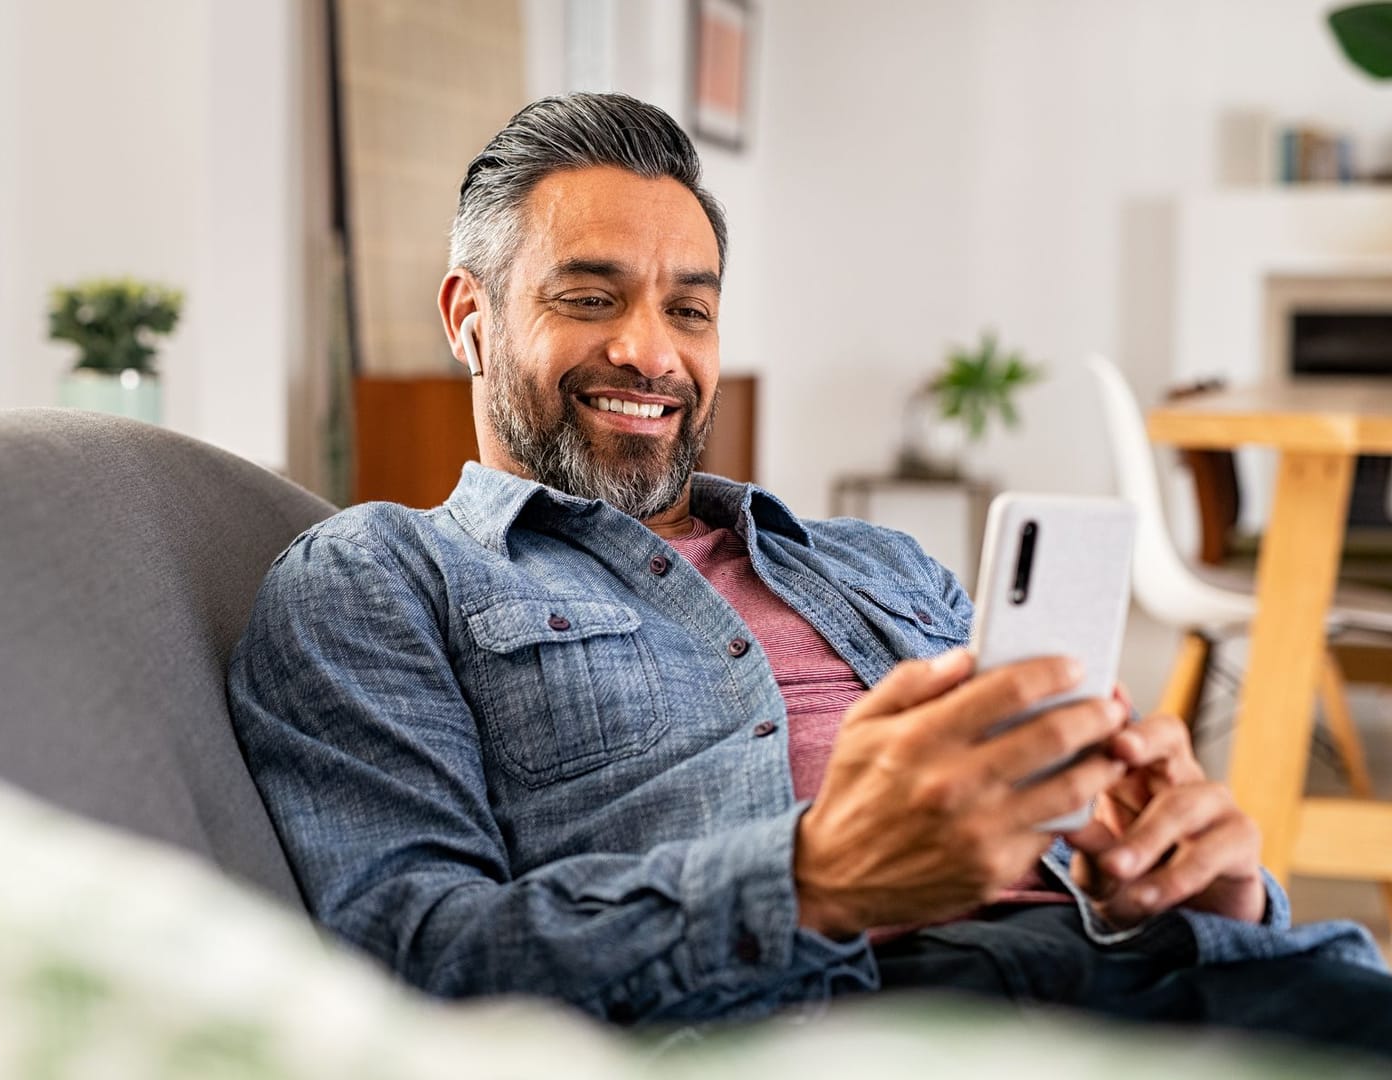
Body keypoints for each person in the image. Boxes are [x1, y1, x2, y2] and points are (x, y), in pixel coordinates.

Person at [227, 92, 1392, 1052]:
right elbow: (410, 963)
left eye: (690, 308)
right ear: (468, 318)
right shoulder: (382, 574)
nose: (650, 350)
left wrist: (1206, 881)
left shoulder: (877, 566)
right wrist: (817, 881)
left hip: (1190, 978)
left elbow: (1088, 847)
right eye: (589, 298)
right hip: (857, 1023)